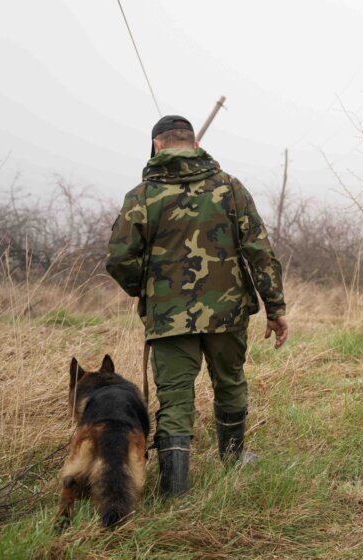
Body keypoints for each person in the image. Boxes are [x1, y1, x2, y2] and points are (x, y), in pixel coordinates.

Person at [106, 115, 288, 498]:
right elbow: (259, 250)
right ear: (193, 143)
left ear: (157, 145)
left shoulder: (142, 195)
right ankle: (234, 459)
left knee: (174, 397)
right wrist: (275, 308)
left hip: (168, 319)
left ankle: (175, 490)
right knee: (230, 382)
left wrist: (151, 290)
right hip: (227, 313)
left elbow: (120, 258)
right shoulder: (230, 188)